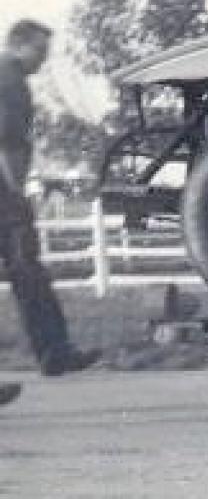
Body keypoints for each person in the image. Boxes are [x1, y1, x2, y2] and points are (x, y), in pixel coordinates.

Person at [0, 19, 98, 377]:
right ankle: (55, 352)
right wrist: (15, 193)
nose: (43, 60)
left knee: (30, 275)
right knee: (29, 272)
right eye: (40, 51)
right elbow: (7, 141)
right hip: (4, 193)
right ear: (19, 45)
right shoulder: (10, 79)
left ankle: (55, 352)